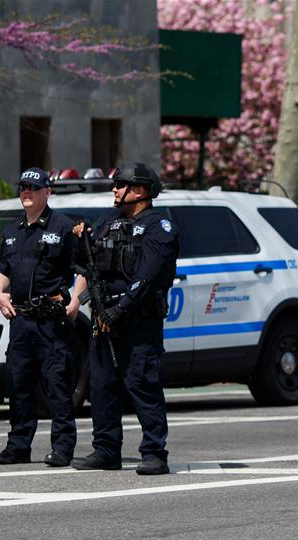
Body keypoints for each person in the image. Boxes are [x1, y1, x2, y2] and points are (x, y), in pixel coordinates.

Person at [71, 162, 178, 475]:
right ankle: (106, 451)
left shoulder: (159, 227)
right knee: (102, 385)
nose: (114, 190)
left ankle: (154, 453)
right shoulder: (107, 222)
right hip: (104, 318)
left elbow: (148, 276)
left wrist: (121, 309)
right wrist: (80, 239)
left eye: (120, 185)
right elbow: (85, 264)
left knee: (142, 384)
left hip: (138, 320)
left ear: (140, 190)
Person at [0, 167, 79, 467]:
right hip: (21, 321)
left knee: (56, 384)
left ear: (47, 192)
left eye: (33, 187)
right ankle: (18, 446)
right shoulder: (12, 231)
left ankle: (63, 447)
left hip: (50, 322)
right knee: (18, 384)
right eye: (23, 187)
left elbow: (82, 268)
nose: (26, 192)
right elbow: (3, 269)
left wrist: (76, 299)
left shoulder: (63, 228)